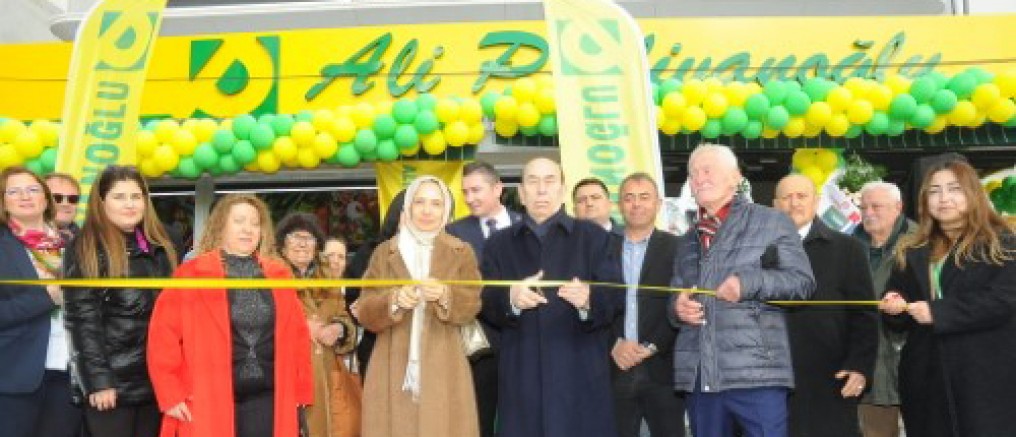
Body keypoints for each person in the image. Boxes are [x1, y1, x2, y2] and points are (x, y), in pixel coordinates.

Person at [671, 144, 814, 437]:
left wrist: (747, 284)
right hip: (701, 377)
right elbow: (673, 295)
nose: (699, 178)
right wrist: (677, 308)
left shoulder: (772, 221)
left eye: (708, 170)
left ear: (735, 178)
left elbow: (802, 282)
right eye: (693, 174)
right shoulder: (686, 239)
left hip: (758, 374)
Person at [147, 194, 312, 437]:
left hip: (269, 400)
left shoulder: (280, 276)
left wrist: (301, 388)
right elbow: (162, 336)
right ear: (220, 225)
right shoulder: (192, 274)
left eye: (255, 223)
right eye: (239, 221)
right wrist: (170, 392)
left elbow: (298, 336)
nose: (248, 229)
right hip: (208, 400)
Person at [481, 157, 621, 437]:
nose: (541, 189)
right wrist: (510, 299)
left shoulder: (594, 237)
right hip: (522, 371)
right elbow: (483, 302)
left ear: (562, 189)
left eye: (549, 181)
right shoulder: (498, 243)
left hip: (580, 370)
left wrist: (588, 300)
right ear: (521, 193)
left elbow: (616, 297)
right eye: (533, 182)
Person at [879, 159, 1015, 437]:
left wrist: (938, 312)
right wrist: (893, 306)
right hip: (926, 378)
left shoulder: (1001, 243)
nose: (943, 198)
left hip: (986, 377)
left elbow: (1003, 299)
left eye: (954, 189)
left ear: (973, 193)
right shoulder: (913, 249)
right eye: (934, 191)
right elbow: (899, 311)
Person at [356, 175, 482, 437]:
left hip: (445, 361)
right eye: (419, 202)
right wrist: (393, 302)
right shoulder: (384, 252)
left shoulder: (461, 252)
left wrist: (446, 295)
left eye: (436, 203)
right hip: (391, 363)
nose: (427, 210)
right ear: (408, 207)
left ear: (446, 210)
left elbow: (472, 303)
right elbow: (364, 310)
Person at [62, 165, 178, 437]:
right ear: (101, 202)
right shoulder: (85, 247)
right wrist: (98, 381)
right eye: (119, 197)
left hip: (156, 381)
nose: (130, 204)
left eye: (136, 196)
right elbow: (81, 320)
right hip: (112, 385)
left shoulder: (163, 245)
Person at [773, 174, 877, 437]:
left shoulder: (848, 249)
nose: (794, 203)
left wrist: (860, 366)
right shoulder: (756, 252)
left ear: (817, 201)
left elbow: (864, 315)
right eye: (786, 197)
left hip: (831, 377)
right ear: (774, 205)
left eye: (801, 196)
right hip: (770, 379)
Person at [0, 166, 81, 437]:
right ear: (3, 201)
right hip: (13, 375)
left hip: (69, 370)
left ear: (46, 199)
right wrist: (45, 298)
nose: (25, 196)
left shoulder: (73, 245)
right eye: (14, 191)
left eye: (33, 189)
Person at [445, 160, 522, 437]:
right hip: (480, 343)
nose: (469, 198)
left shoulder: (527, 225)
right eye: (465, 192)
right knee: (480, 418)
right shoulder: (454, 233)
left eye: (476, 190)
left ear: (498, 188)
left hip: (525, 338)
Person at [609, 172, 685, 437]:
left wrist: (652, 345)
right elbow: (593, 303)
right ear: (619, 205)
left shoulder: (678, 248)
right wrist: (613, 343)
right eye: (629, 198)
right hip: (614, 366)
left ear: (658, 204)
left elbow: (682, 304)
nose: (636, 204)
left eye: (644, 197)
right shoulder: (602, 248)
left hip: (662, 368)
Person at [276, 213, 356, 437]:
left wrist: (338, 329)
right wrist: (301, 327)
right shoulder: (270, 275)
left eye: (309, 238)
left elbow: (344, 317)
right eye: (295, 237)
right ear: (282, 244)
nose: (302, 244)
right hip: (286, 377)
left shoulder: (327, 277)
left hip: (324, 377)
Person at [853, 181, 914, 437]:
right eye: (863, 207)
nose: (868, 212)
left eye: (876, 206)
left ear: (898, 207)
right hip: (871, 375)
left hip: (917, 367)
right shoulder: (848, 247)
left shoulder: (924, 244)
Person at [346, 190, 405, 377]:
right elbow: (352, 299)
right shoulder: (371, 252)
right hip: (378, 348)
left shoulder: (442, 252)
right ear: (397, 216)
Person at [44, 173, 81, 240]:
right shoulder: (24, 240)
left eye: (72, 199)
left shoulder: (90, 241)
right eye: (57, 198)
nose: (65, 204)